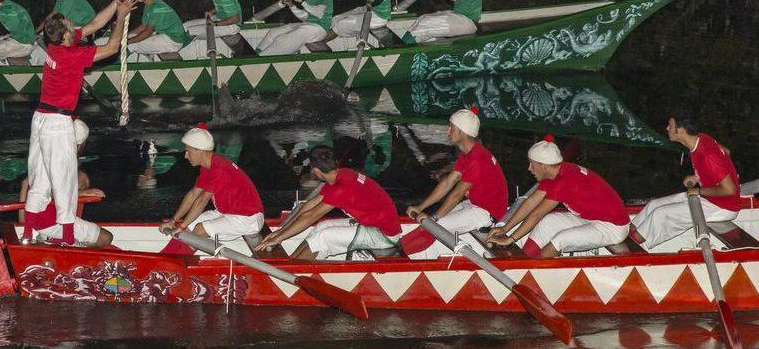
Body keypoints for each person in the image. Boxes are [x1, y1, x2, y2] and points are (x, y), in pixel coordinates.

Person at [22, 0, 136, 247]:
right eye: (70, 25)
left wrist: (116, 1)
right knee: (65, 180)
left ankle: (28, 232)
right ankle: (68, 240)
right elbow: (112, 47)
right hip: (56, 122)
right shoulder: (69, 55)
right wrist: (121, 17)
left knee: (39, 175)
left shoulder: (56, 45)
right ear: (65, 36)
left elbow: (96, 23)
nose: (74, 25)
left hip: (40, 117)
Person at [487, 135, 629, 257]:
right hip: (590, 218)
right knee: (548, 222)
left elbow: (537, 213)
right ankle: (523, 261)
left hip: (612, 227)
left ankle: (531, 273)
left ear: (544, 166)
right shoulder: (555, 172)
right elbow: (531, 202)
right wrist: (504, 229)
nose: (529, 168)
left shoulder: (564, 180)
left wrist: (510, 238)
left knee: (561, 239)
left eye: (532, 164)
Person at [254, 145, 402, 260]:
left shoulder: (341, 188)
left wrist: (279, 238)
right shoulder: (341, 175)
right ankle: (292, 263)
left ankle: (294, 271)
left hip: (383, 236)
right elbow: (309, 205)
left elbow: (310, 216)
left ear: (316, 171)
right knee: (323, 226)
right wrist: (279, 232)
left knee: (324, 237)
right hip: (371, 225)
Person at [401, 107, 507, 257]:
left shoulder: (477, 159)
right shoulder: (468, 154)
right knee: (432, 222)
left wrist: (434, 218)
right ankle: (400, 250)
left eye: (452, 128)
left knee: (434, 227)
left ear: (462, 132)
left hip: (486, 213)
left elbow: (457, 194)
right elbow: (448, 183)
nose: (448, 131)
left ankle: (396, 255)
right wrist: (421, 207)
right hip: (475, 204)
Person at [630, 111, 740, 249]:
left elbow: (730, 189)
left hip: (723, 206)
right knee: (653, 205)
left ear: (680, 130)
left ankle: (631, 249)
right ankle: (627, 237)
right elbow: (726, 152)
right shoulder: (701, 139)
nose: (667, 129)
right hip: (709, 198)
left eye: (670, 126)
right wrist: (698, 176)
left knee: (660, 214)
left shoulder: (707, 155)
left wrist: (699, 191)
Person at [158, 124, 264, 254]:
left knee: (199, 229)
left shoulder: (219, 168)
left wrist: (182, 225)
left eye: (188, 151)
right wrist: (174, 221)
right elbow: (193, 194)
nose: (185, 156)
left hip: (247, 218)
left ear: (200, 151)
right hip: (227, 212)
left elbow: (201, 201)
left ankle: (176, 264)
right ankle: (164, 257)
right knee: (189, 226)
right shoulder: (208, 166)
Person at [255, 0, 334, 56]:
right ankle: (255, 55)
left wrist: (302, 2)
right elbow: (305, 16)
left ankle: (259, 60)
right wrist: (292, 5)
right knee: (274, 32)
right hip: (309, 24)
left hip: (319, 29)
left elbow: (319, 14)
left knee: (283, 39)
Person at [125, 0, 192, 59]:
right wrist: (127, 35)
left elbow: (148, 32)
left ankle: (114, 65)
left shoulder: (157, 7)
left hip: (173, 41)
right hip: (164, 35)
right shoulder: (149, 4)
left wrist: (128, 42)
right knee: (132, 36)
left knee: (133, 44)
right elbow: (143, 26)